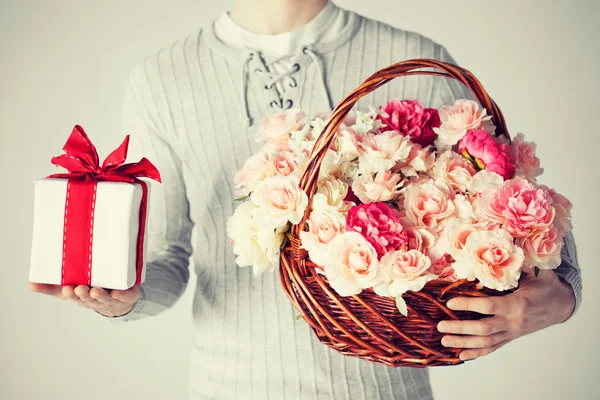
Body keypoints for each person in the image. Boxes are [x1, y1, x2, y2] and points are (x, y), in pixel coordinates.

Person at [29, 1, 582, 399]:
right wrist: (124, 299)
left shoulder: (413, 58)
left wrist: (556, 300)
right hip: (229, 389)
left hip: (384, 393)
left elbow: (538, 228)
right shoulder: (162, 79)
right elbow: (170, 258)